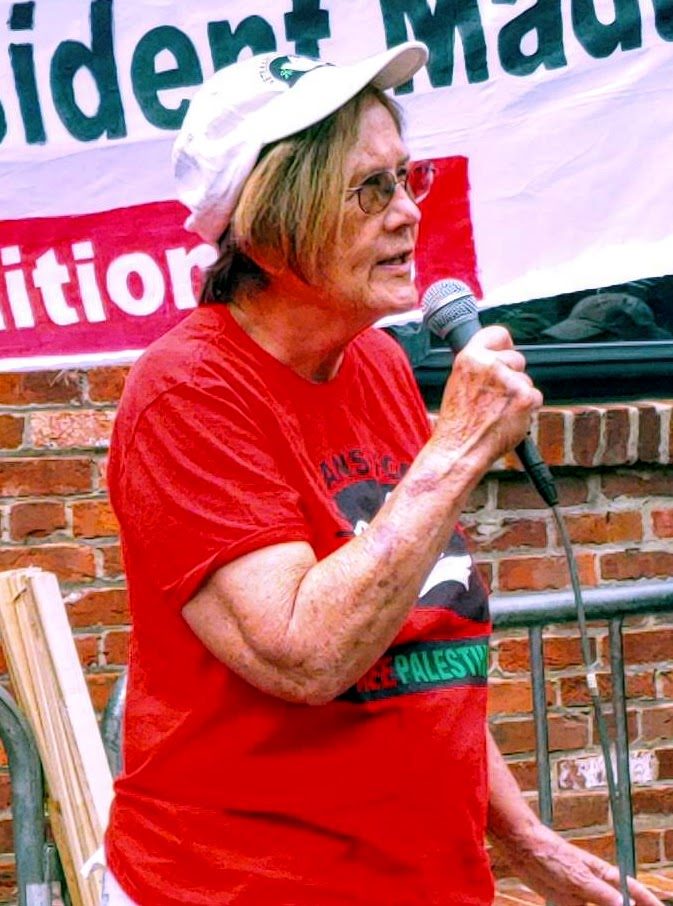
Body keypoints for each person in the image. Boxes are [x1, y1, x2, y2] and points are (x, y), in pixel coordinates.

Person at [102, 42, 664, 906]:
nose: (406, 213)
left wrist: (520, 837)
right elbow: (303, 656)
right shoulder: (187, 392)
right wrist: (456, 449)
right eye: (369, 188)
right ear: (270, 226)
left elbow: (422, 648)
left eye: (406, 177)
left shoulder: (377, 364)